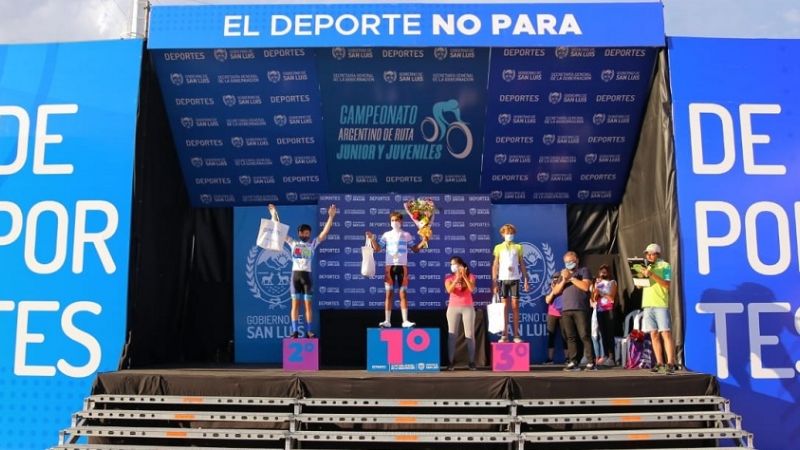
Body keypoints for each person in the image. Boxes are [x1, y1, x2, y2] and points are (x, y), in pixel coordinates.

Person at [268, 203, 336, 339]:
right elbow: (279, 229)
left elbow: (324, 233)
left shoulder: (313, 243)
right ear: (299, 233)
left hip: (307, 278)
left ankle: (309, 331)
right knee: (295, 306)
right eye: (303, 233)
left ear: (309, 234)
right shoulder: (293, 243)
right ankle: (295, 331)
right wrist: (274, 214)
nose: (305, 235)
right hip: (295, 277)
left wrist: (331, 217)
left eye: (307, 233)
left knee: (308, 306)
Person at [366, 211, 428, 328]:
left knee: (403, 293)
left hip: (402, 267)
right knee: (389, 294)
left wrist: (423, 242)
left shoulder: (406, 235)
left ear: (401, 222)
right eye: (392, 220)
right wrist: (372, 239)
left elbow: (415, 249)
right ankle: (387, 321)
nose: (394, 222)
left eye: (396, 220)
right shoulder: (386, 235)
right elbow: (378, 249)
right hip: (389, 267)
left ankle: (405, 321)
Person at [549, 251, 596, 371]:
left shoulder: (583, 271)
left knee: (584, 335)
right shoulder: (563, 274)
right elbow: (556, 291)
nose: (569, 263)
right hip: (566, 309)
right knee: (570, 337)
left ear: (577, 261)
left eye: (571, 261)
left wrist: (571, 278)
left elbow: (585, 286)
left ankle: (591, 362)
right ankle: (573, 362)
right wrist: (564, 280)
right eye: (567, 262)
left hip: (580, 308)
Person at [640, 243, 677, 375]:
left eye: (651, 254)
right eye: (647, 254)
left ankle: (671, 363)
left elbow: (667, 284)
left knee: (665, 333)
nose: (649, 256)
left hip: (660, 304)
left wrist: (651, 275)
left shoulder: (665, 266)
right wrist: (639, 277)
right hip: (647, 304)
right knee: (653, 334)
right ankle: (660, 363)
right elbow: (639, 286)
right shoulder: (645, 266)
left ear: (658, 254)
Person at [491, 224, 529, 343]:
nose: (509, 235)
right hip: (503, 280)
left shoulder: (518, 247)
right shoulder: (498, 247)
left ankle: (516, 335)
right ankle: (504, 335)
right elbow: (495, 265)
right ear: (502, 234)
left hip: (515, 279)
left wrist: (526, 279)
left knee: (515, 307)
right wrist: (494, 282)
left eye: (511, 233)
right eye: (507, 233)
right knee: (504, 308)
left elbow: (522, 264)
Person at [444, 257, 477, 371]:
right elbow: (449, 290)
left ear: (461, 265)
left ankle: (471, 362)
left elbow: (471, 289)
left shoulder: (471, 276)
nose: (453, 267)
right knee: (452, 335)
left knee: (470, 335)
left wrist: (464, 277)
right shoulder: (449, 278)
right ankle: (450, 362)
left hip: (468, 307)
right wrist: (457, 278)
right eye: (451, 265)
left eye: (455, 264)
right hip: (453, 308)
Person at [591, 264, 618, 367]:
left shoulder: (612, 282)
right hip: (600, 310)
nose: (603, 273)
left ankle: (612, 357)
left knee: (609, 334)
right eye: (601, 272)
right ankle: (605, 355)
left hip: (609, 310)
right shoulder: (598, 283)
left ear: (608, 273)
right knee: (602, 334)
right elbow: (594, 298)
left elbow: (611, 298)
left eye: (605, 272)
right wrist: (595, 289)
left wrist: (602, 293)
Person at [544, 275, 568, 364]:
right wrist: (553, 291)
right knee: (551, 336)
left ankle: (568, 358)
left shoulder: (565, 289)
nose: (555, 282)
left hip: (563, 314)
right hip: (552, 314)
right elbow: (547, 300)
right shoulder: (549, 290)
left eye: (557, 281)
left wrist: (559, 288)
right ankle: (550, 359)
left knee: (565, 336)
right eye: (553, 281)